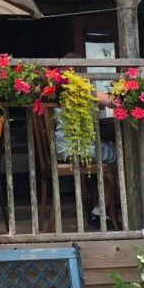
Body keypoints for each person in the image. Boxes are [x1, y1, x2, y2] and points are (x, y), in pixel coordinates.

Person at [54, 91, 118, 227]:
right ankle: (101, 212)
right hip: (80, 149)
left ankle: (100, 210)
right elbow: (114, 102)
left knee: (109, 155)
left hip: (63, 149)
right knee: (122, 158)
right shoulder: (81, 89)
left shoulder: (56, 92)